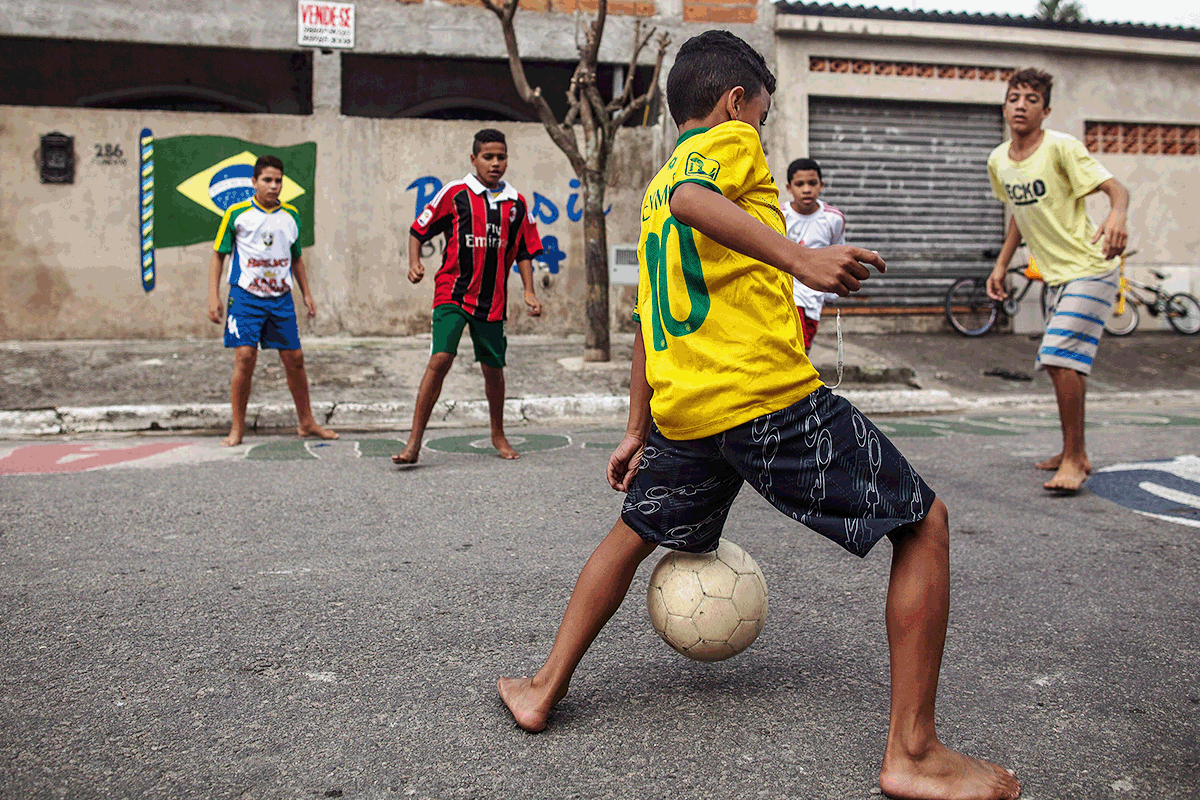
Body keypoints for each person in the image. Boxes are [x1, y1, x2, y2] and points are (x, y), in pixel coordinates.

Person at [498, 31, 1021, 800]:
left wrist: (638, 425)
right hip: (763, 399)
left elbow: (648, 311)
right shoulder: (721, 148)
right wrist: (800, 256)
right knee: (924, 524)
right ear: (735, 101)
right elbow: (694, 199)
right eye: (763, 115)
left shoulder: (652, 189)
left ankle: (543, 686)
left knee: (635, 531)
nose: (763, 134)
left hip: (689, 411)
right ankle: (913, 752)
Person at [985, 68, 1129, 494]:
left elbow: (1117, 189)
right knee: (1067, 365)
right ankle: (1076, 451)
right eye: (1014, 97)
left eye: (1031, 99)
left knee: (1057, 358)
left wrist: (1117, 215)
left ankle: (1073, 460)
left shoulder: (1062, 147)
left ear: (1045, 110)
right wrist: (1000, 265)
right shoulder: (998, 160)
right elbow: (1018, 215)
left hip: (1092, 267)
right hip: (1055, 277)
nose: (1021, 105)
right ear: (1005, 105)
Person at [392, 129, 543, 465]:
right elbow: (419, 230)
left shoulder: (516, 203)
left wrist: (529, 291)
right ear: (473, 160)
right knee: (441, 359)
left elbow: (524, 251)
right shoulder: (455, 193)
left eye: (501, 157)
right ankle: (414, 442)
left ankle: (497, 434)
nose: (495, 163)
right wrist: (414, 262)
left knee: (493, 369)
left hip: (492, 301)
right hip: (453, 292)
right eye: (488, 157)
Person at [206, 154, 337, 447]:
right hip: (245, 298)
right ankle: (237, 427)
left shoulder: (291, 215)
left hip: (280, 299)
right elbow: (218, 254)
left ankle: (306, 422)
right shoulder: (237, 213)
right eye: (267, 180)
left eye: (278, 181)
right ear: (254, 182)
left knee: (295, 360)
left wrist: (307, 295)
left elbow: (296, 258)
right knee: (245, 358)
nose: (273, 186)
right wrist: (213, 296)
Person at [783, 157, 844, 350]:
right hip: (787, 293)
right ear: (789, 188)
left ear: (821, 185)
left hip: (814, 296)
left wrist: (832, 288)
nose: (806, 189)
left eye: (812, 183)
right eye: (799, 184)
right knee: (792, 346)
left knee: (804, 349)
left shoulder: (833, 218)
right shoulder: (780, 215)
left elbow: (838, 252)